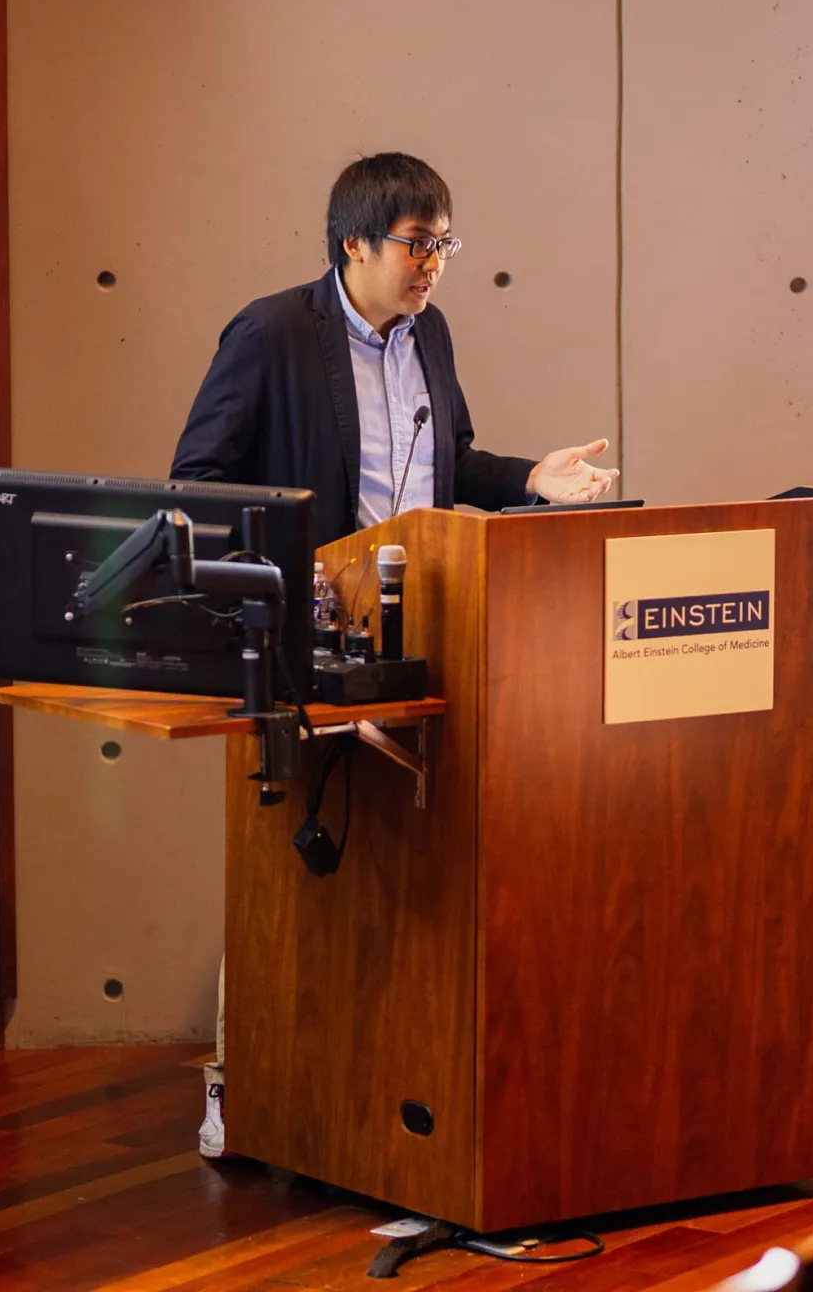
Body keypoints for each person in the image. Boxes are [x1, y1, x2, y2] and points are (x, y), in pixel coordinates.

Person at [170, 151, 618, 1157]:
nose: (433, 266)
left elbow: (449, 463)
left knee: (395, 866)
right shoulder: (276, 331)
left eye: (444, 244)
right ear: (355, 244)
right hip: (299, 638)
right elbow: (198, 480)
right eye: (416, 245)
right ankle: (239, 1087)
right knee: (286, 871)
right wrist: (299, 569)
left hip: (416, 630)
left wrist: (531, 480)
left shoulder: (432, 336)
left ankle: (369, 1087)